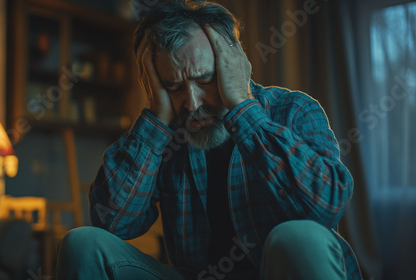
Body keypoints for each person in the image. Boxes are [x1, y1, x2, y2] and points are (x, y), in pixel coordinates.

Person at [54, 1, 362, 279]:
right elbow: (113, 223)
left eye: (205, 80)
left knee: (298, 237)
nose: (192, 102)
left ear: (235, 65)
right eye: (173, 86)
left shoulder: (294, 110)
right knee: (82, 244)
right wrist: (155, 117)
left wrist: (242, 107)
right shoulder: (168, 131)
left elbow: (324, 206)